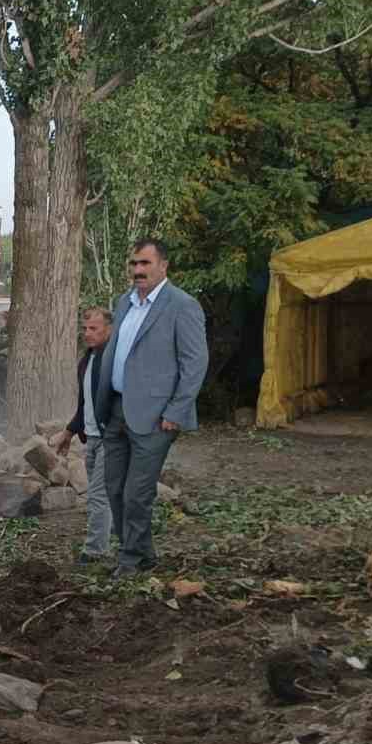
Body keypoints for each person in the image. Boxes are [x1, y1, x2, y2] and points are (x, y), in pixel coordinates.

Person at [93, 238, 208, 577]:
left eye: (145, 263)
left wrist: (177, 410)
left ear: (163, 266)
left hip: (156, 418)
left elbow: (195, 363)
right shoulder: (124, 303)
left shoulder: (182, 306)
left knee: (136, 494)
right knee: (114, 488)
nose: (138, 270)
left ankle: (130, 561)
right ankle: (144, 553)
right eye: (134, 264)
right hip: (115, 410)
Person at [50, 307, 114, 565]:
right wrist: (69, 432)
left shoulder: (113, 360)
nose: (87, 333)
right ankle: (119, 535)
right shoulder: (86, 360)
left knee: (98, 493)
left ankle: (95, 551)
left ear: (109, 329)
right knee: (108, 493)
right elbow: (83, 404)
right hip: (92, 437)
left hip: (112, 437)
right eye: (85, 328)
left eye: (94, 329)